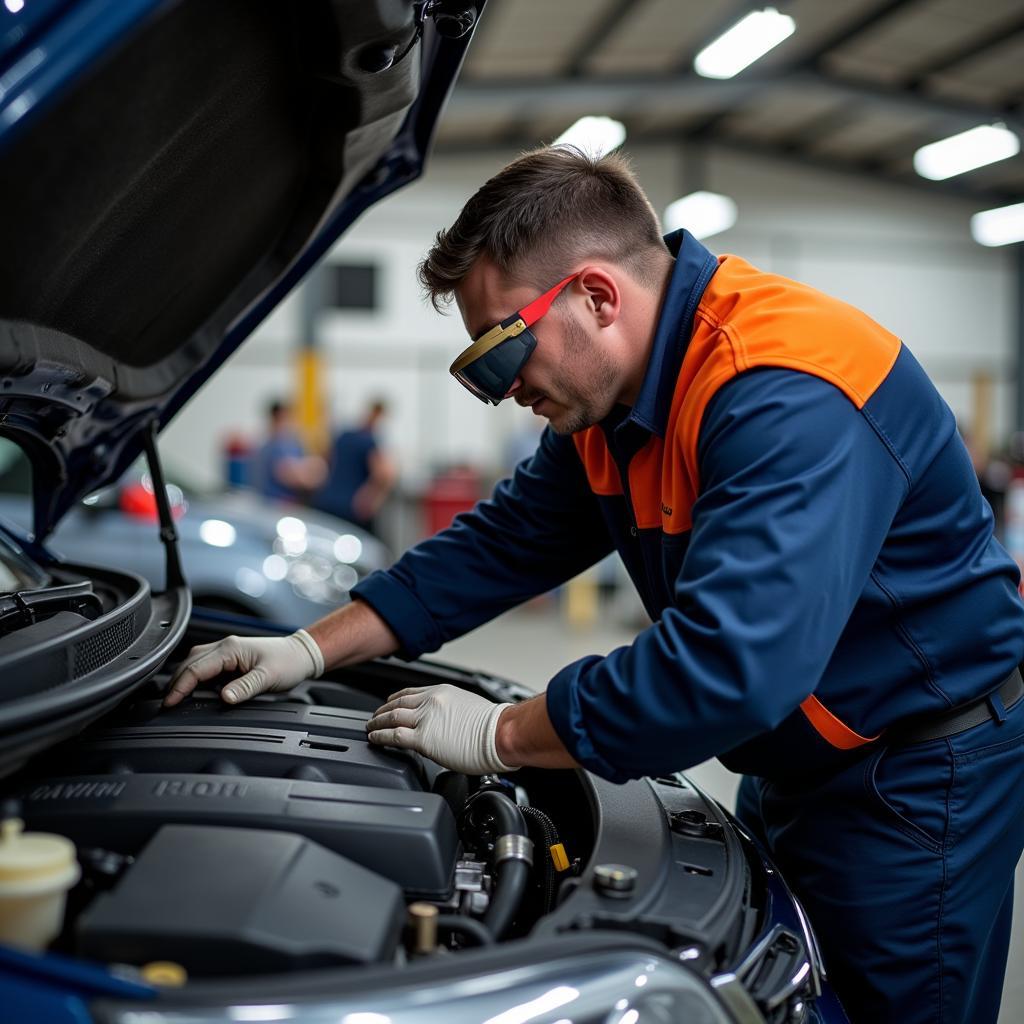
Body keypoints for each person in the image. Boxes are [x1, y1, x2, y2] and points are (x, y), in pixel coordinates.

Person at [163, 147, 1024, 1024]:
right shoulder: (613, 409)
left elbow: (726, 671)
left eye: (499, 355)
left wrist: (503, 733)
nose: (497, 394)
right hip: (798, 755)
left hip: (915, 775)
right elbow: (501, 544)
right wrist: (309, 646)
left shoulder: (784, 389)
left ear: (597, 296)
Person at [314, 399, 397, 534]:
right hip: (352, 510)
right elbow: (384, 474)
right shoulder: (369, 442)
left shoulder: (344, 436)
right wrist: (371, 497)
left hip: (327, 503)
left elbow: (325, 460)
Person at [252, 399, 325, 503]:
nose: (290, 424)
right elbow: (289, 475)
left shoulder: (292, 444)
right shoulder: (273, 448)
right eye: (285, 419)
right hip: (277, 505)